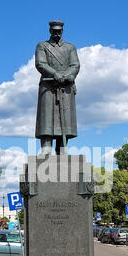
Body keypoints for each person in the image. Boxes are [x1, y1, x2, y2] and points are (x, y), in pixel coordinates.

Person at [35, 21, 80, 155]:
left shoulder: (70, 47)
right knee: (47, 115)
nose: (57, 33)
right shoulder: (42, 46)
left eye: (59, 31)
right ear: (50, 31)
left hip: (65, 85)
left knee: (65, 117)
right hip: (48, 85)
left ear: (62, 31)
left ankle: (62, 147)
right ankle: (46, 145)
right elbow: (40, 63)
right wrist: (55, 74)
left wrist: (67, 75)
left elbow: (75, 65)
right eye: (54, 31)